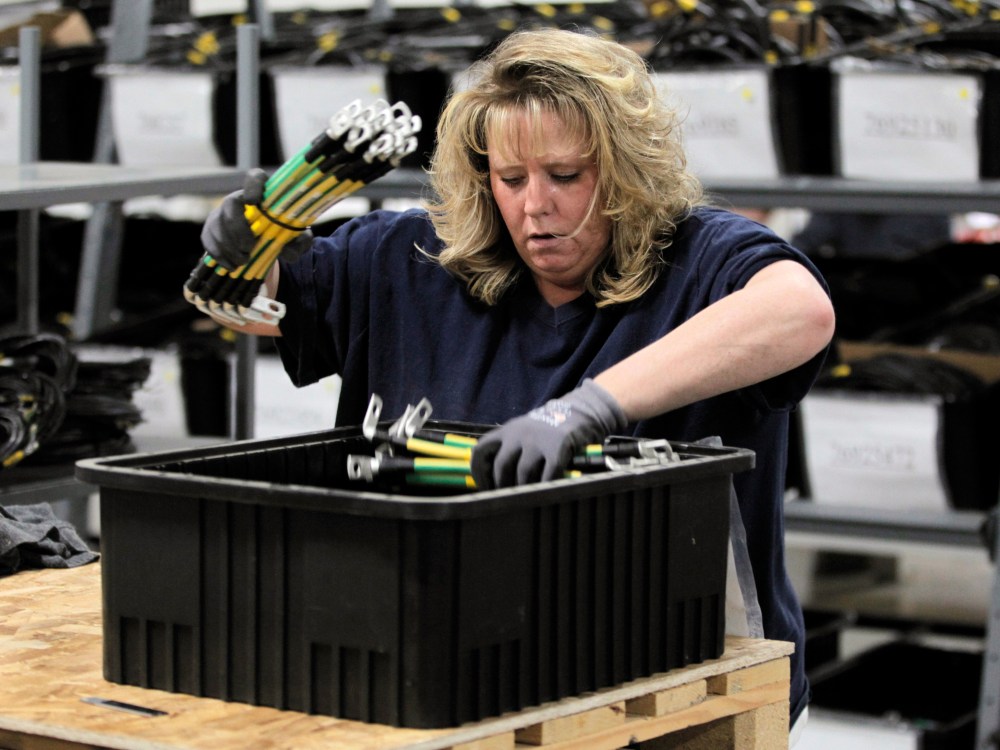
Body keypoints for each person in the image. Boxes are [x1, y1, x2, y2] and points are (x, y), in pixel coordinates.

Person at [197, 26, 835, 741]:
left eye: (567, 176)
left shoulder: (701, 258)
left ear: (626, 168)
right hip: (458, 671)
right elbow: (252, 302)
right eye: (511, 179)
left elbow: (799, 311)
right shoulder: (409, 263)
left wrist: (588, 409)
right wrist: (240, 249)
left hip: (682, 686)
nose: (536, 206)